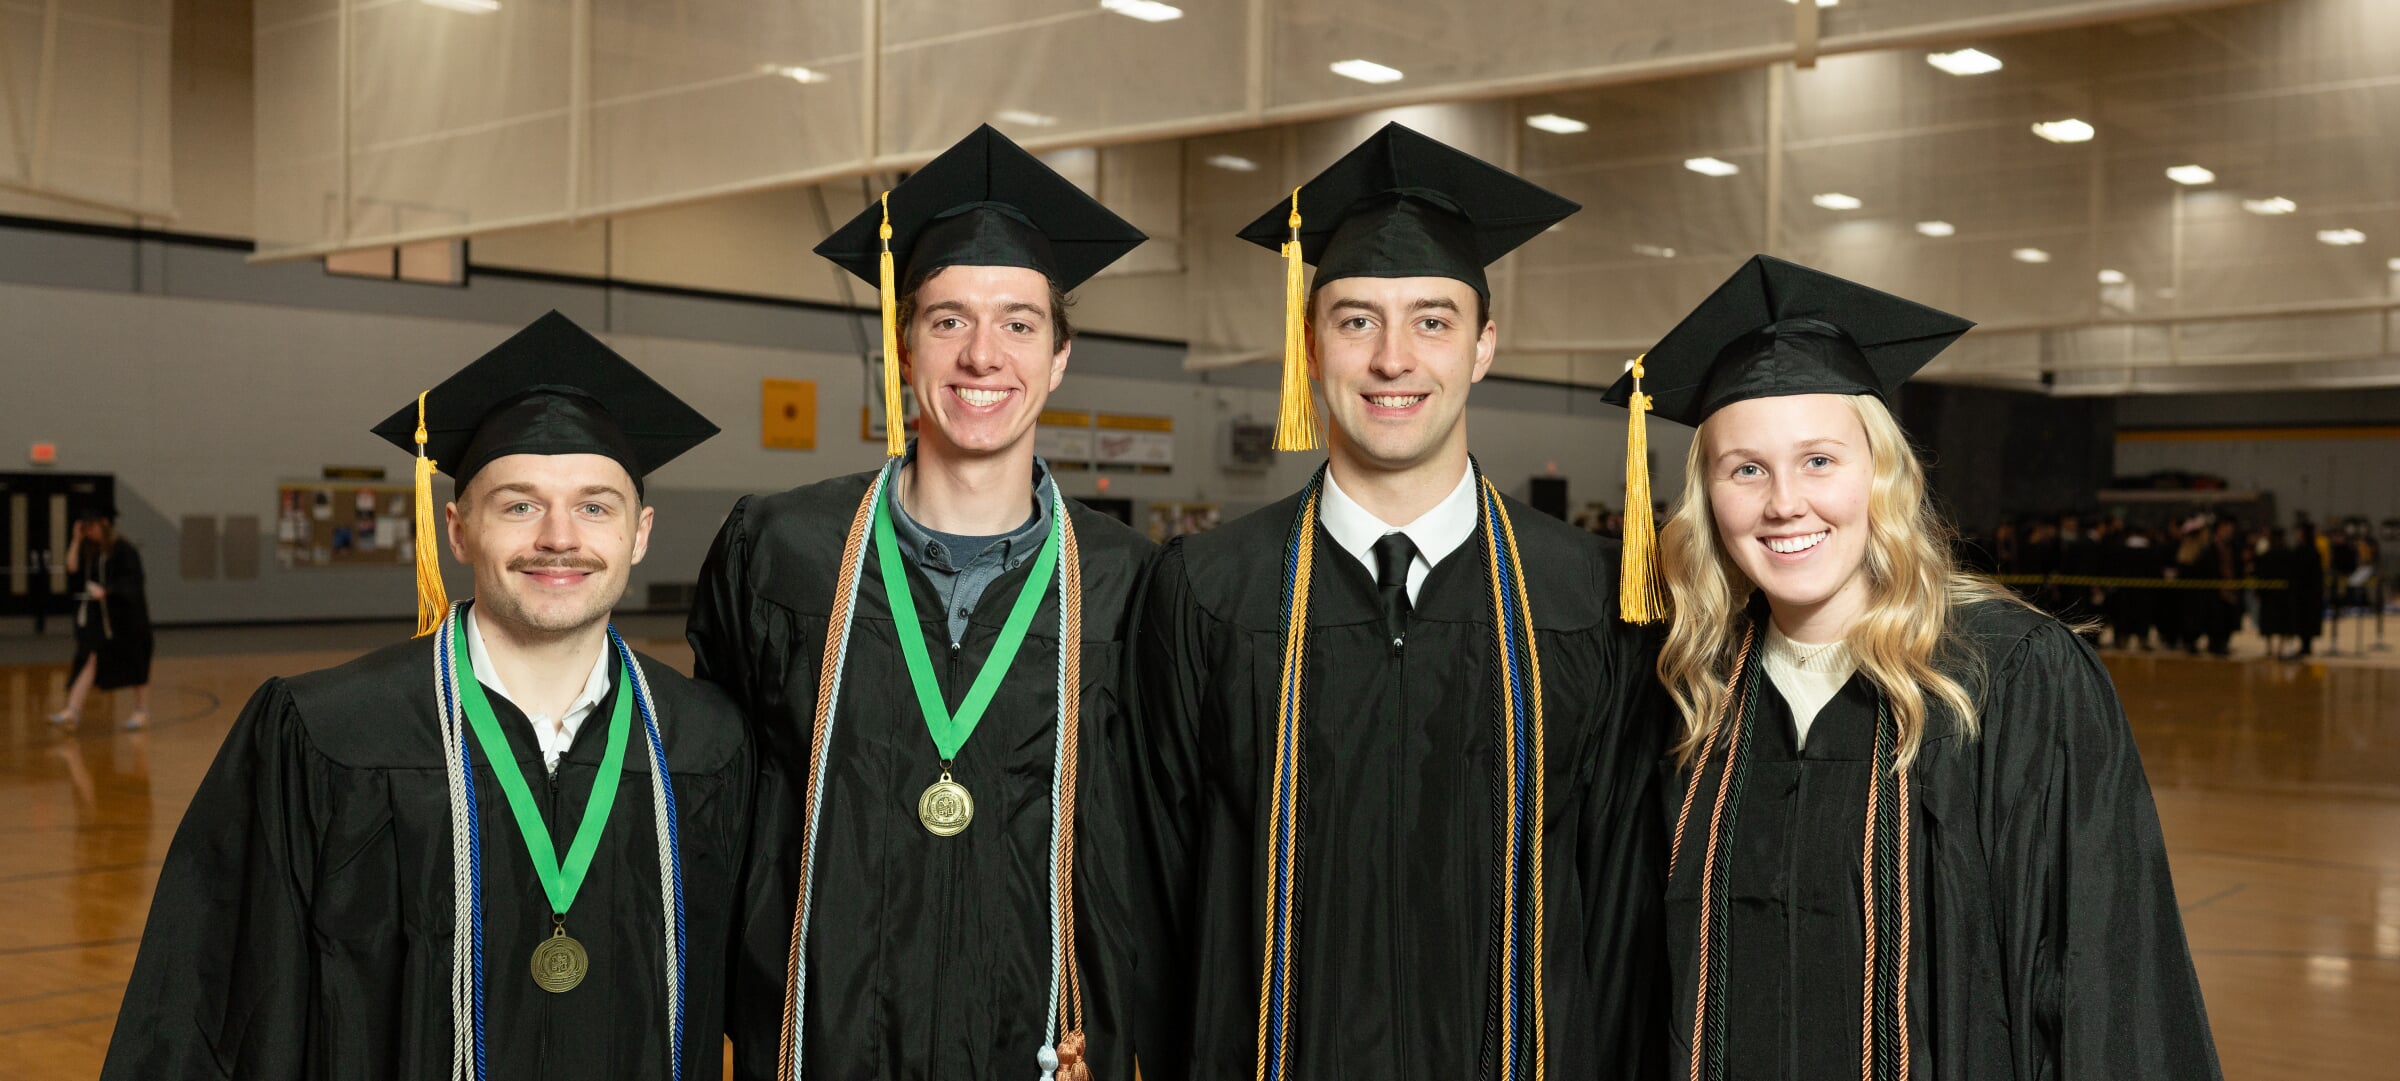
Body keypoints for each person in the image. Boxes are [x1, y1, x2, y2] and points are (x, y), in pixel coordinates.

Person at [1101, 123, 1665, 1080]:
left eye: (1433, 320)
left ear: (1484, 346)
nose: (1394, 358)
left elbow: (1617, 908)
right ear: (1310, 344)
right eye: (1357, 318)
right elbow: (1152, 892)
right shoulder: (1208, 590)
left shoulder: (1588, 600)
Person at [1608, 254, 2220, 1081]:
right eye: (1745, 468)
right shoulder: (1693, 692)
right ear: (1709, 495)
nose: (1784, 501)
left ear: (1880, 473)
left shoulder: (2010, 675)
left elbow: (2107, 981)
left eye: (1820, 459)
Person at [102, 312, 752, 1080]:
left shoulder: (706, 745)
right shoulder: (327, 735)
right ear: (456, 527)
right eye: (518, 504)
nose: (557, 536)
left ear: (638, 534)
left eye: (594, 506)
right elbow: (209, 1012)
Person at [686, 125, 1154, 1081]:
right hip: (822, 1040)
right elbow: (724, 808)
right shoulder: (781, 553)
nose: (984, 355)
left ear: (1060, 358)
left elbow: (1148, 853)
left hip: (1038, 1047)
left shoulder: (1130, 582)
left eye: (1020, 323)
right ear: (902, 348)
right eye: (948, 319)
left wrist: (1109, 1022)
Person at [48, 504, 154, 729]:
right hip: (102, 620)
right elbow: (72, 568)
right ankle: (72, 710)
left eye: (91, 527)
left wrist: (107, 591)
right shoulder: (92, 551)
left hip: (126, 618)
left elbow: (134, 582)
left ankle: (142, 709)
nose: (89, 532)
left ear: (103, 525)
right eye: (85, 529)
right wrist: (76, 540)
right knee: (90, 658)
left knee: (136, 661)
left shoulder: (123, 549)